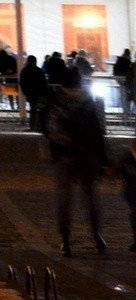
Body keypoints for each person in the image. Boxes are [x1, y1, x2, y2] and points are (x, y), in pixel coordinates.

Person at [45, 67, 109, 257]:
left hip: (81, 155)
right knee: (70, 199)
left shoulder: (88, 103)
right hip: (68, 155)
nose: (76, 92)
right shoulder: (56, 102)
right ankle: (68, 238)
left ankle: (94, 236)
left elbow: (98, 132)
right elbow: (51, 130)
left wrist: (102, 158)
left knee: (86, 199)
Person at [116, 140, 136, 252]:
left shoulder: (127, 157)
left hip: (132, 192)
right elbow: (119, 169)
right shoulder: (127, 157)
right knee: (133, 215)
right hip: (132, 192)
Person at [20, 55, 48, 133]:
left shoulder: (25, 71)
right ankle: (40, 125)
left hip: (30, 93)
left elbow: (22, 82)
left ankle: (32, 125)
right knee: (40, 109)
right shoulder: (39, 71)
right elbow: (44, 83)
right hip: (38, 92)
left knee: (33, 109)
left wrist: (25, 92)